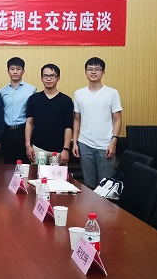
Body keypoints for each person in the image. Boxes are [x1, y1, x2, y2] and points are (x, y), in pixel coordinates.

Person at [72, 57, 123, 189]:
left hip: (106, 145)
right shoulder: (79, 94)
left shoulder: (112, 93)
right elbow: (77, 119)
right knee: (88, 185)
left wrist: (113, 142)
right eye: (90, 69)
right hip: (85, 143)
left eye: (97, 69)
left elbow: (117, 119)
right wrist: (75, 142)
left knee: (105, 186)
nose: (93, 72)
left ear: (103, 72)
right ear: (85, 72)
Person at [25, 64, 74, 165]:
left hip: (59, 150)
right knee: (37, 175)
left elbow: (68, 127)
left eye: (52, 76)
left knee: (58, 176)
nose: (49, 79)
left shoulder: (66, 101)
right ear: (41, 78)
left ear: (58, 78)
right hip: (37, 149)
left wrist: (66, 149)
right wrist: (28, 145)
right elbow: (29, 123)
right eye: (46, 76)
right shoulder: (33, 99)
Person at [0, 57, 37, 165]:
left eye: (18, 69)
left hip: (23, 131)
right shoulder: (2, 91)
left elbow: (34, 115)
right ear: (8, 71)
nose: (15, 72)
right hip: (7, 132)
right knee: (8, 165)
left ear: (23, 71)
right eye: (12, 69)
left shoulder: (31, 90)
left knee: (25, 164)